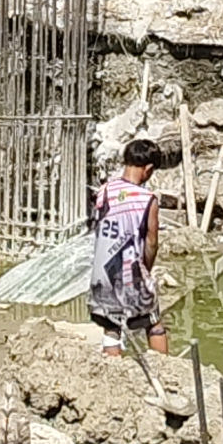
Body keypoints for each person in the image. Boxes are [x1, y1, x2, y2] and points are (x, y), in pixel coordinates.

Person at [87, 137, 168, 348]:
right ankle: (164, 371)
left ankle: (113, 373)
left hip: (103, 276)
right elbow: (151, 243)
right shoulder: (148, 199)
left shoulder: (103, 191)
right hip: (130, 275)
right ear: (148, 169)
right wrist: (146, 271)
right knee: (153, 322)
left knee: (111, 327)